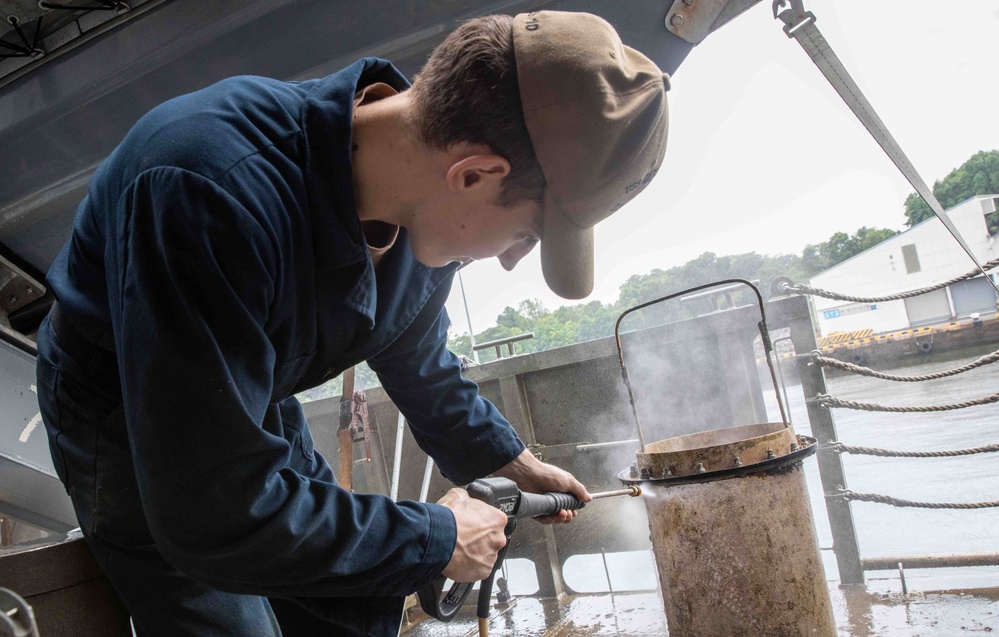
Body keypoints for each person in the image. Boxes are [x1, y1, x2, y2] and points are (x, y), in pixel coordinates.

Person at [34, 10, 669, 636]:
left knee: (349, 613)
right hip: (127, 405)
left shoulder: (424, 215)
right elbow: (214, 511)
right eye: (526, 233)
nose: (508, 259)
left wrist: (512, 463)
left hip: (253, 389)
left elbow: (419, 361)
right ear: (473, 173)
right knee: (226, 619)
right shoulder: (209, 185)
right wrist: (436, 538)